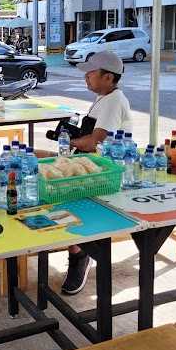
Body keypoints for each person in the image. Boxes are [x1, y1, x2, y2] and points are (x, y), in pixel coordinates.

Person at [61, 50, 132, 295]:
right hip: (91, 166)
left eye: (91, 74)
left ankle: (80, 255)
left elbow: (95, 143)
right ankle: (80, 249)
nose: (86, 78)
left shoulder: (114, 100)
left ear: (109, 77)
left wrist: (72, 142)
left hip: (105, 173)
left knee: (66, 200)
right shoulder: (104, 97)